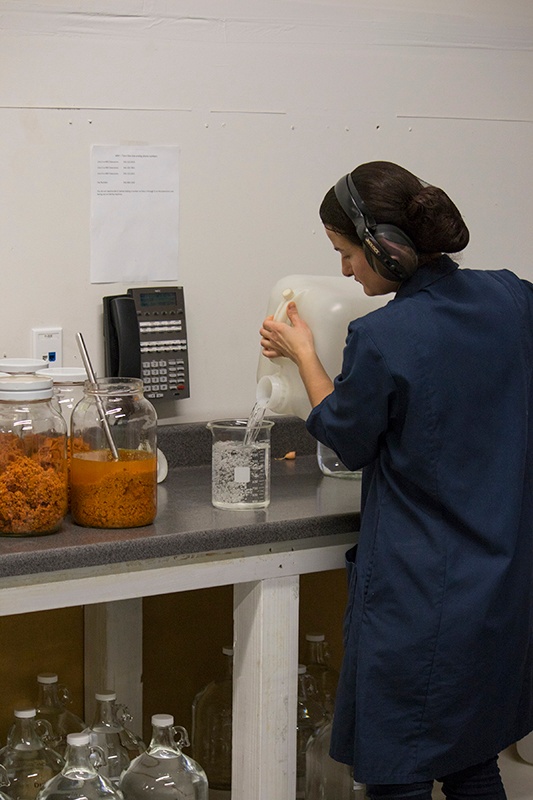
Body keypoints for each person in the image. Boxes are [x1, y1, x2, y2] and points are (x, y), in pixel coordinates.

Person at [259, 161, 533, 800]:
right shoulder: (513, 296)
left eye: (346, 252)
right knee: (471, 760)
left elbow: (347, 439)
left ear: (384, 245)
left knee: (395, 773)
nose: (347, 270)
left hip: (421, 593)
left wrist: (304, 354)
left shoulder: (382, 336)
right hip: (499, 585)